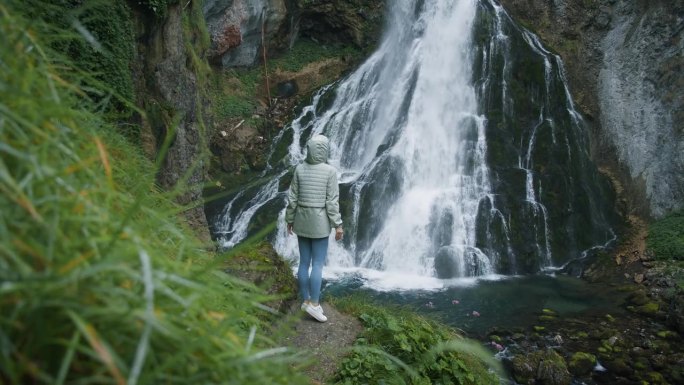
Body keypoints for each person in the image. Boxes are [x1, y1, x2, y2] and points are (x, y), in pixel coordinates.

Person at [286, 134, 343, 323]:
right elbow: (332, 202)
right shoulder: (330, 171)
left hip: (301, 219)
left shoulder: (299, 169)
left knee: (304, 262)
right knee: (318, 264)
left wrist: (289, 219)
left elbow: (292, 198)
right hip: (319, 222)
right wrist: (338, 225)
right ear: (325, 150)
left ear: (309, 148)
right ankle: (315, 305)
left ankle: (305, 301)